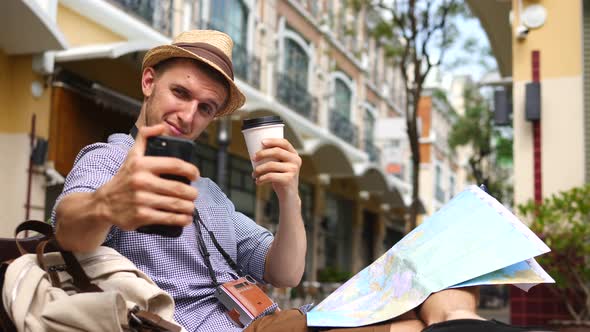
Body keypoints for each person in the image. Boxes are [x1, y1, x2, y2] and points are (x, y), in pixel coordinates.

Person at [51, 30, 529, 332]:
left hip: (270, 319)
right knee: (408, 326)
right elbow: (69, 229)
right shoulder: (108, 159)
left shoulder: (210, 193)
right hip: (205, 326)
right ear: (149, 82)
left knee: (444, 292)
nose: (189, 113)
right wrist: (108, 205)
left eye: (206, 107)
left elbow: (283, 273)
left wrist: (289, 194)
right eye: (181, 92)